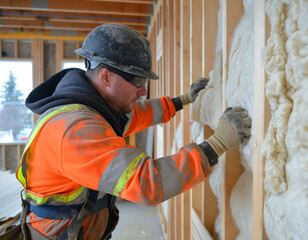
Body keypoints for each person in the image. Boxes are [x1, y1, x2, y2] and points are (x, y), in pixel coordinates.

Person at [15, 23, 251, 240]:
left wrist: (182, 100)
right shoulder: (75, 131)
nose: (142, 90)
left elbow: (134, 115)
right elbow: (147, 183)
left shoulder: (92, 110)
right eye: (137, 80)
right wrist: (218, 144)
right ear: (105, 76)